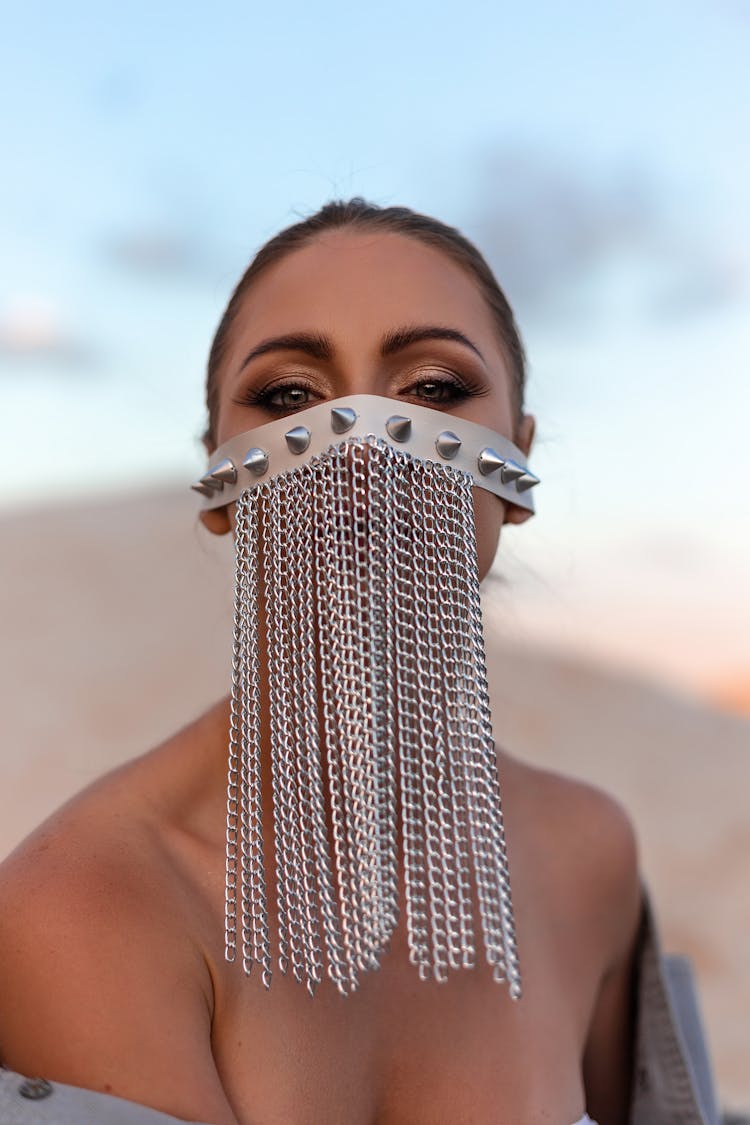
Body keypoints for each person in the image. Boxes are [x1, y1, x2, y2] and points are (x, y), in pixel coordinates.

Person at [0, 199, 715, 1125]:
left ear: (520, 466)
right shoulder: (87, 904)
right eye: (291, 397)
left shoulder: (591, 856)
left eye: (435, 387)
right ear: (218, 481)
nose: (363, 443)